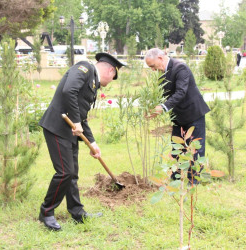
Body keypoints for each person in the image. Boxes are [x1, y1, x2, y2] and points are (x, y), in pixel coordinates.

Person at [38, 53, 125, 230]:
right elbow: (68, 90)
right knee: (65, 172)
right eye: (113, 77)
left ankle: (77, 212)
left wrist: (92, 143)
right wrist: (76, 122)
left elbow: (82, 118)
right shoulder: (84, 68)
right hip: (57, 128)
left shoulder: (91, 83)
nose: (109, 83)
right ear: (110, 70)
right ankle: (46, 212)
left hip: (70, 131)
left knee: (72, 174)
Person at [144, 48, 210, 184]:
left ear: (160, 58)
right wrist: (152, 107)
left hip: (193, 114)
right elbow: (163, 94)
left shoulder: (180, 68)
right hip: (178, 116)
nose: (152, 69)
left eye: (152, 66)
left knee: (195, 148)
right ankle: (176, 179)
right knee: (176, 148)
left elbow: (181, 92)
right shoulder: (162, 72)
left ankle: (194, 181)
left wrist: (162, 108)